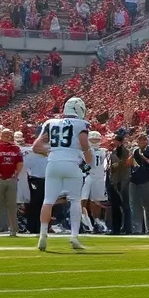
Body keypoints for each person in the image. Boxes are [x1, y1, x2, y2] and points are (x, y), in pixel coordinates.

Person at [33, 96, 93, 251]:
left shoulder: (50, 123)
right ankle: (74, 236)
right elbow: (85, 145)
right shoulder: (81, 124)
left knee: (48, 200)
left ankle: (43, 235)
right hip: (72, 164)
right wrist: (89, 164)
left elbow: (36, 146)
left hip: (53, 164)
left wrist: (53, 152)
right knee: (75, 200)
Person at [0, 127, 23, 237]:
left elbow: (20, 162)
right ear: (1, 136)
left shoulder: (16, 149)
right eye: (6, 134)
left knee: (12, 205)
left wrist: (16, 174)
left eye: (10, 135)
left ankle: (13, 229)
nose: (8, 137)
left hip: (11, 179)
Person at [81, 131, 109, 233]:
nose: (94, 141)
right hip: (87, 176)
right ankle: (86, 223)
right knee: (82, 200)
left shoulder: (104, 151)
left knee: (96, 202)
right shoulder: (84, 150)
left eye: (96, 140)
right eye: (92, 140)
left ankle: (97, 222)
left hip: (99, 177)